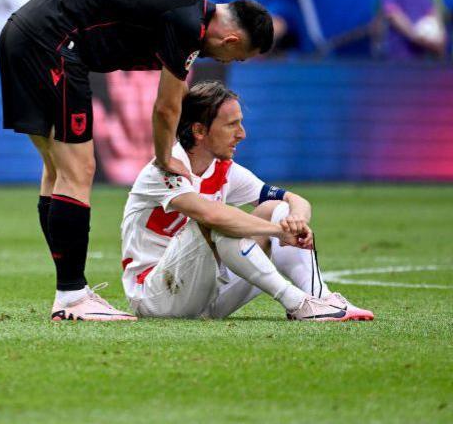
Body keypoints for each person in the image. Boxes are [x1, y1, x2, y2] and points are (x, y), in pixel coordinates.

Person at [0, 0, 274, 321]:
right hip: (54, 44)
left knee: (57, 169)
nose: (226, 60)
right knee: (79, 169)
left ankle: (70, 290)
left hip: (23, 31)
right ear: (231, 40)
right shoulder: (189, 23)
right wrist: (164, 158)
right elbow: (166, 108)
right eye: (234, 57)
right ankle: (72, 296)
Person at [120, 81, 374, 321]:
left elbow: (294, 199)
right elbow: (213, 217)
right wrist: (279, 232)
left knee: (277, 209)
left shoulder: (223, 168)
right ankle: (298, 303)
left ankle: (323, 299)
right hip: (156, 297)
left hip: (208, 295)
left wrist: (296, 220)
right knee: (219, 220)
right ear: (199, 130)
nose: (242, 134)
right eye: (231, 125)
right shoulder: (165, 169)